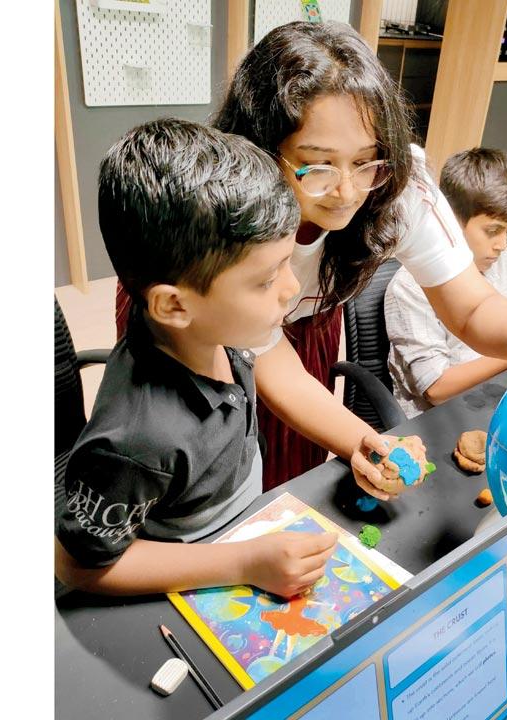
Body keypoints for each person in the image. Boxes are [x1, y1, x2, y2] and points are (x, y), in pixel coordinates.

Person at [207, 21, 507, 491]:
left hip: (305, 327)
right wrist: (363, 440)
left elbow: (470, 304)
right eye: (319, 165)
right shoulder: (227, 208)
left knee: (295, 471)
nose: (348, 192)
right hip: (213, 331)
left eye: (365, 161)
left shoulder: (397, 188)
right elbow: (272, 363)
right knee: (218, 470)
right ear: (262, 148)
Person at [54, 119, 338, 597]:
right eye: (266, 280)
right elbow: (78, 567)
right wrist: (244, 562)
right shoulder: (137, 442)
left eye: (286, 263)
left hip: (239, 533)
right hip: (193, 585)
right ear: (173, 306)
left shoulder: (219, 331)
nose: (290, 288)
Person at [384, 148, 507, 418]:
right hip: (441, 417)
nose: (502, 244)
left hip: (499, 395)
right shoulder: (411, 286)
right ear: (451, 220)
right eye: (493, 231)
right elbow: (437, 389)